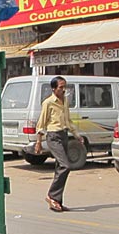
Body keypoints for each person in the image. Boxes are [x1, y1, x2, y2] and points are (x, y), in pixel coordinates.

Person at [33, 76, 83, 212]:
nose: (63, 90)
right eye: (60, 87)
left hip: (64, 134)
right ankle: (52, 195)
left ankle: (57, 201)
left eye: (64, 87)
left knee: (59, 168)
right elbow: (41, 123)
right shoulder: (48, 103)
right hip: (53, 136)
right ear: (53, 89)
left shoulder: (65, 100)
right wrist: (38, 142)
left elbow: (68, 120)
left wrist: (77, 135)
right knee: (65, 165)